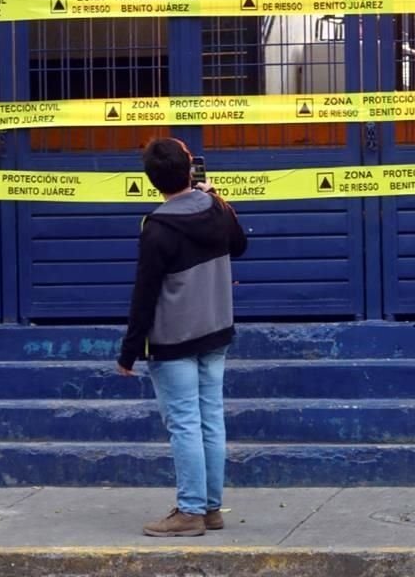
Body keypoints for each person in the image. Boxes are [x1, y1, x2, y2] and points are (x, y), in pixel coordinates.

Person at [117, 137, 247, 537]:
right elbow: (240, 245)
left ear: (153, 181)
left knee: (186, 424)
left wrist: (129, 350)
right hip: (216, 330)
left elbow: (145, 293)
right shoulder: (216, 208)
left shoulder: (156, 227)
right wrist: (219, 199)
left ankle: (189, 511)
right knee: (210, 419)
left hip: (174, 340)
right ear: (190, 170)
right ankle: (209, 508)